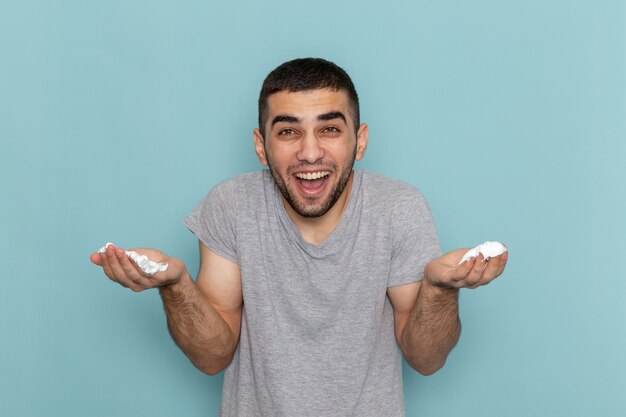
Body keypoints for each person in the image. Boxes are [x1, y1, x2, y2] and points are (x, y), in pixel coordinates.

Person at [91, 58, 508, 417]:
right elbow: (212, 356)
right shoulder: (231, 205)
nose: (309, 153)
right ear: (261, 145)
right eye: (288, 131)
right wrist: (175, 285)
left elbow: (427, 359)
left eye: (329, 129)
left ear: (359, 141)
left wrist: (438, 290)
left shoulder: (398, 208)